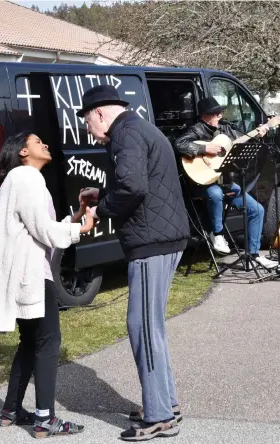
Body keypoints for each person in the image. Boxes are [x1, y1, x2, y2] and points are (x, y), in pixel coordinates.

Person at [77, 85, 190, 441]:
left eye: (87, 122)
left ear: (98, 113)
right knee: (151, 325)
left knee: (141, 325)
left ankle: (158, 416)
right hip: (163, 236)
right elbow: (136, 181)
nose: (88, 132)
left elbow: (132, 187)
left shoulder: (125, 133)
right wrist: (104, 194)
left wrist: (99, 209)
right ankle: (166, 403)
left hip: (151, 242)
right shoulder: (137, 128)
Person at [0, 132, 93, 438]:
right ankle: (45, 418)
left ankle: (11, 410)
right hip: (31, 276)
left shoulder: (17, 180)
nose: (44, 144)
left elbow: (38, 226)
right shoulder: (27, 177)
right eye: (37, 141)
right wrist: (81, 228)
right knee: (48, 341)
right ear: (23, 152)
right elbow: (44, 231)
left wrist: (76, 216)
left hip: (23, 273)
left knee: (30, 342)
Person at [174, 96, 277, 269]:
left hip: (225, 183)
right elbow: (179, 144)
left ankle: (253, 254)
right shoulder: (196, 130)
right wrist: (204, 149)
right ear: (205, 116)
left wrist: (260, 133)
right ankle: (218, 233)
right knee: (214, 193)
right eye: (216, 113)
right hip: (202, 184)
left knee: (257, 209)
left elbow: (242, 141)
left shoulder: (227, 129)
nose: (220, 116)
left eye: (220, 113)